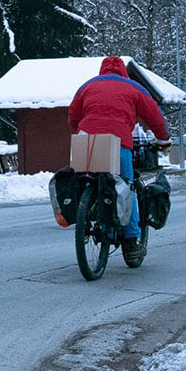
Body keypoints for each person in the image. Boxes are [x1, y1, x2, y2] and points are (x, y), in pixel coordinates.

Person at [68, 56, 172, 261]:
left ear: (102, 70)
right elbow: (155, 117)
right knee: (127, 187)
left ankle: (88, 215)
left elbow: (73, 115)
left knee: (86, 178)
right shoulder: (132, 87)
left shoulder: (87, 86)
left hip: (86, 141)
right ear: (123, 72)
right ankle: (132, 243)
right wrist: (162, 139)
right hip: (119, 143)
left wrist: (80, 133)